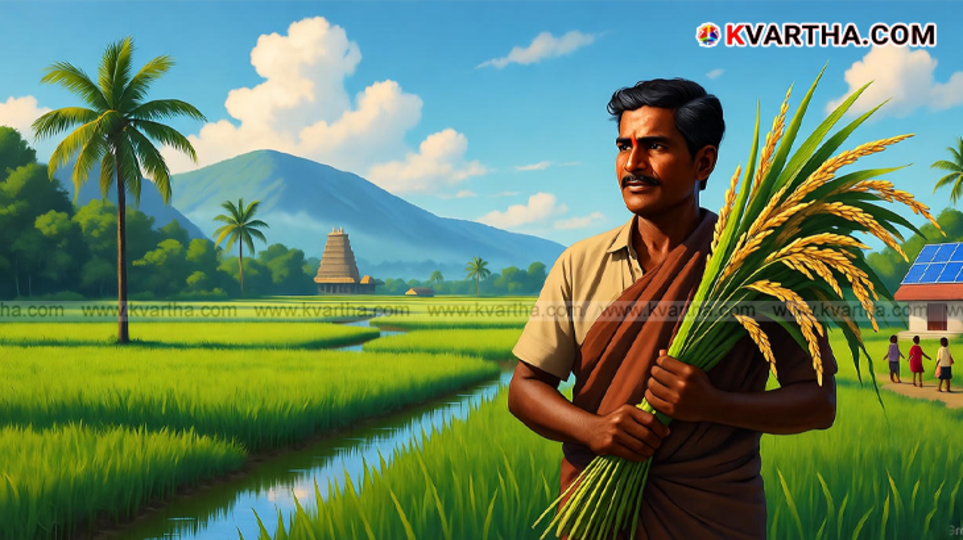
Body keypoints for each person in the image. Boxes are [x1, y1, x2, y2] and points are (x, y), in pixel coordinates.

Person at [507, 78, 837, 540]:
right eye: (624, 146)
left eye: (655, 146)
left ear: (703, 162)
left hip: (715, 514)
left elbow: (818, 403)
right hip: (596, 516)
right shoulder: (579, 265)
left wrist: (714, 405)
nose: (632, 164)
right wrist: (595, 429)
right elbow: (524, 389)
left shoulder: (755, 269)